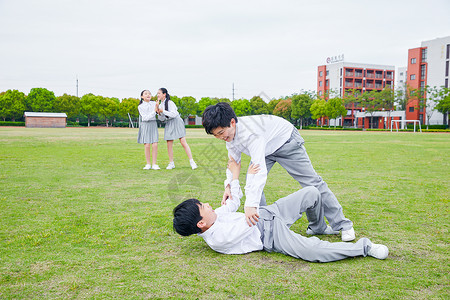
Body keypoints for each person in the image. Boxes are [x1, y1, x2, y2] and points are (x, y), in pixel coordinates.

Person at [172, 158, 388, 262]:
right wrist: (251, 183)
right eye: (203, 206)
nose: (208, 205)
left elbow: (231, 204)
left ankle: (317, 226)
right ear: (201, 223)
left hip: (269, 213)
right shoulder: (217, 239)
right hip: (271, 235)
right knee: (314, 252)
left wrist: (232, 180)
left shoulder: (214, 218)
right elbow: (250, 220)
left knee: (312, 193)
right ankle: (365, 247)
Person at [202, 102, 355, 242]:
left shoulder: (252, 133)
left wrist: (250, 205)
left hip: (286, 142)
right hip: (266, 148)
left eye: (221, 132)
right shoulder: (229, 137)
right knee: (254, 186)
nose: (221, 138)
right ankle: (261, 226)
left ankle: (343, 225)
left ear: (232, 123)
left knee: (313, 182)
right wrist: (228, 186)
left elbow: (258, 171)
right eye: (216, 135)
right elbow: (233, 163)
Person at [156, 88, 197, 170]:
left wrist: (163, 111)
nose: (157, 95)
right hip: (169, 123)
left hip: (176, 121)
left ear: (164, 94)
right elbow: (161, 119)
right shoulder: (160, 105)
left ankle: (192, 162)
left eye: (159, 93)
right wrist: (158, 112)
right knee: (169, 143)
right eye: (157, 93)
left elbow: (174, 114)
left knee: (183, 141)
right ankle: (171, 163)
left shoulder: (170, 103)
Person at [137, 90, 160, 170]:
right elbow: (145, 118)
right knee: (147, 145)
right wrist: (154, 111)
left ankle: (154, 164)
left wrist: (157, 107)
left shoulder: (154, 103)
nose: (148, 95)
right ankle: (148, 164)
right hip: (145, 124)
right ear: (142, 97)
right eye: (146, 94)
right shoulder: (140, 106)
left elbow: (158, 113)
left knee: (155, 144)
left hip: (153, 124)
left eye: (149, 93)